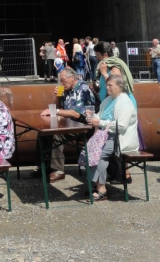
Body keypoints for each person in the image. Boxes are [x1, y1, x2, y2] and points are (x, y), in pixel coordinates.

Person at [85, 71, 140, 201]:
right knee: (88, 150)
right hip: (107, 136)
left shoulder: (124, 102)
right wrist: (92, 116)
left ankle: (101, 190)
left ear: (120, 87)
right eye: (107, 85)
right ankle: (95, 184)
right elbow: (100, 116)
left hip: (119, 139)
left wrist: (100, 122)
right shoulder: (108, 100)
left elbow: (121, 126)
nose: (107, 88)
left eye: (110, 85)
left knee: (99, 154)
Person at [42, 66, 97, 181]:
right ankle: (43, 167)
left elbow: (77, 114)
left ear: (72, 78)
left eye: (63, 80)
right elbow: (58, 108)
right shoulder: (67, 90)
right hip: (70, 124)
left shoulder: (83, 89)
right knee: (43, 133)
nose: (61, 83)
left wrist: (57, 112)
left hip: (84, 126)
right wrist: (58, 97)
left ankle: (58, 170)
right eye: (60, 80)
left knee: (56, 133)